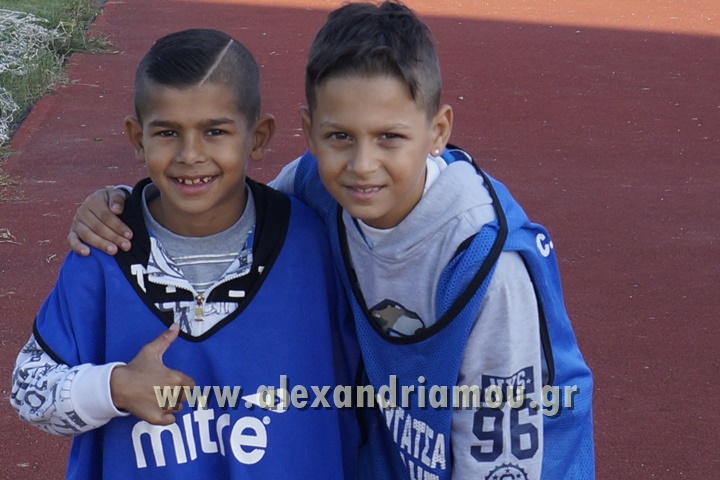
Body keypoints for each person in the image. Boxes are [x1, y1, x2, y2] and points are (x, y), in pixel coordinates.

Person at [66, 2, 595, 479]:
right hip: (396, 445)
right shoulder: (314, 186)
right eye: (340, 136)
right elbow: (224, 206)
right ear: (310, 131)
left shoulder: (486, 266)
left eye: (389, 137)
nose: (362, 165)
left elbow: (501, 455)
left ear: (438, 131)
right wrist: (123, 204)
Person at [11, 28, 360, 479]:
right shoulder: (103, 250)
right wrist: (114, 388)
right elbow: (29, 389)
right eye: (167, 132)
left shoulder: (311, 242)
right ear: (137, 138)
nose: (190, 154)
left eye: (215, 131)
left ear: (258, 137)